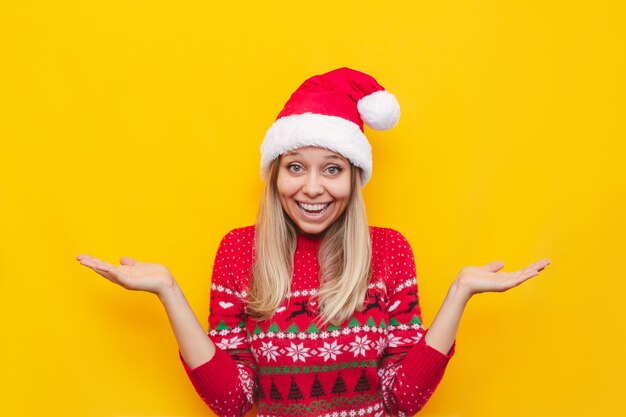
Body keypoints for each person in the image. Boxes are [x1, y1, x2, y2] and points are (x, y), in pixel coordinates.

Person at [76, 67, 550, 417]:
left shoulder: (388, 252)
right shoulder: (241, 252)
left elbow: (402, 399)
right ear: (276, 176)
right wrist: (168, 291)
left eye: (332, 169)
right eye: (296, 167)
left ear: (354, 179)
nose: (312, 188)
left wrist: (460, 293)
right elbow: (232, 400)